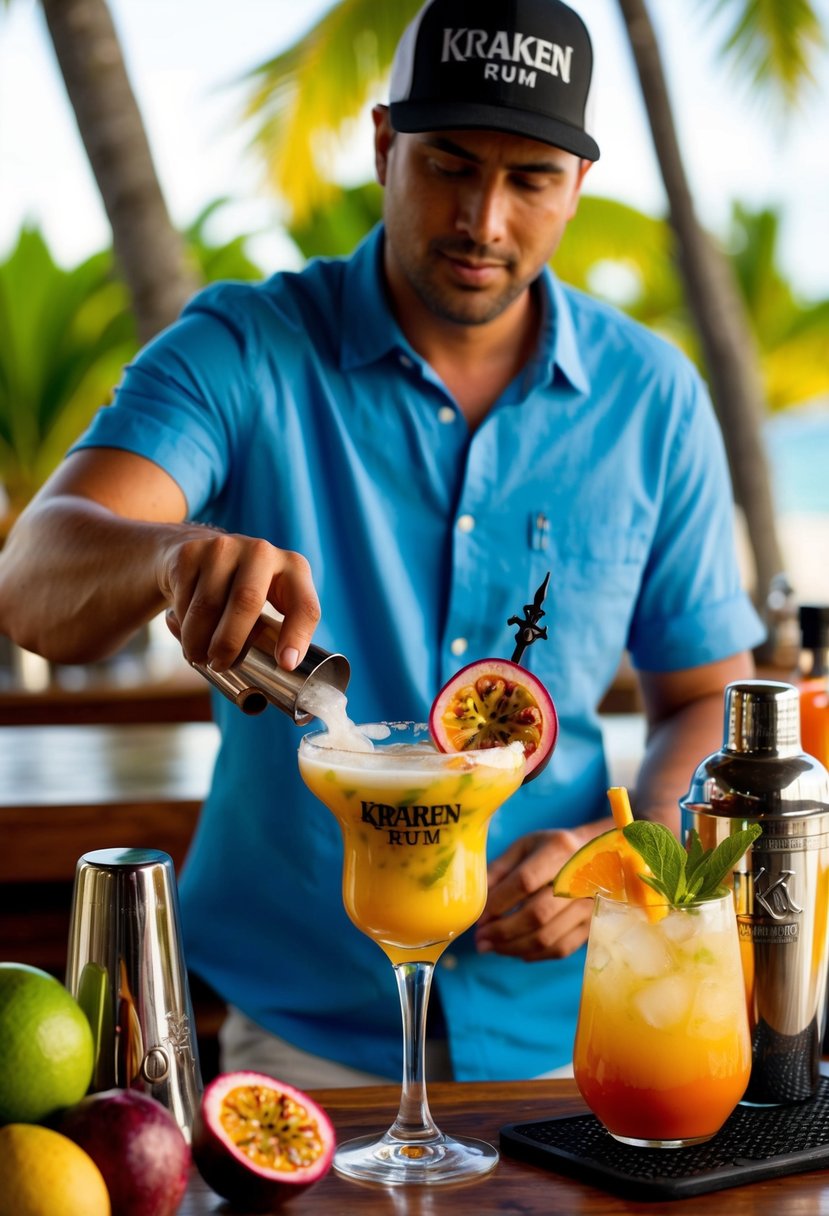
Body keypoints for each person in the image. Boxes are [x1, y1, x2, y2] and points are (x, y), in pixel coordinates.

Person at [0, 0, 764, 1086]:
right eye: (449, 164)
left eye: (530, 180)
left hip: (570, 1026)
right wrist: (165, 558)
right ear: (381, 145)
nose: (483, 220)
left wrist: (615, 865)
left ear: (578, 186)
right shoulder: (244, 346)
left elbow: (702, 698)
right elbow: (32, 580)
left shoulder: (653, 400)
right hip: (303, 1034)